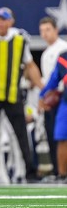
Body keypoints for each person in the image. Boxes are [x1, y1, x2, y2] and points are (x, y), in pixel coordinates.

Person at [0, 7, 42, 183]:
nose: (0, 22)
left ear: (11, 21)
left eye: (4, 19)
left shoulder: (19, 41)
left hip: (12, 95)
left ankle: (30, 172)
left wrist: (42, 89)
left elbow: (30, 66)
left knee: (21, 135)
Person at [39, 16, 67, 179]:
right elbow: (53, 79)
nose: (44, 34)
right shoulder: (63, 56)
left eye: (47, 29)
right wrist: (42, 96)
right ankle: (62, 174)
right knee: (61, 135)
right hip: (65, 100)